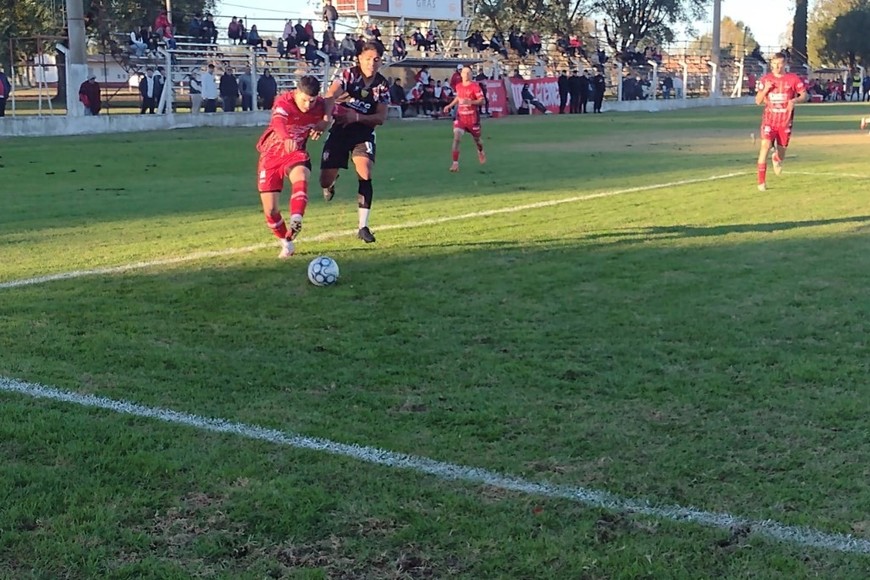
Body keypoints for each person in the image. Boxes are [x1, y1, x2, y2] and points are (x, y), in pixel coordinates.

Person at [319, 41, 390, 244]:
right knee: (324, 179)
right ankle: (330, 185)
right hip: (340, 131)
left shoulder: (382, 85)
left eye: (376, 60)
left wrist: (356, 118)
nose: (371, 63)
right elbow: (331, 94)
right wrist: (326, 116)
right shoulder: (348, 75)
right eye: (368, 59)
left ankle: (363, 226)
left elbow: (381, 117)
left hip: (363, 133)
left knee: (365, 172)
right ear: (359, 58)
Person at [255, 75, 333, 259]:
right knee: (271, 211)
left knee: (301, 176)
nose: (308, 105)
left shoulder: (320, 106)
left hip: (295, 152)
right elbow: (278, 122)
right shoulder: (284, 100)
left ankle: (297, 218)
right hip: (270, 156)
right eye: (304, 100)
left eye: (312, 101)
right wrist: (285, 137)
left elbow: (333, 103)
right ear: (296, 92)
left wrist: (326, 120)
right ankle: (286, 243)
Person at [754, 52, 808, 192]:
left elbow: (804, 95)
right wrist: (766, 89)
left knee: (782, 152)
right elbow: (758, 101)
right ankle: (761, 182)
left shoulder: (793, 79)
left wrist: (794, 100)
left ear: (785, 64)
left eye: (779, 64)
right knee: (764, 146)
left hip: (785, 121)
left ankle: (777, 158)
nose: (777, 67)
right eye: (774, 64)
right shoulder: (766, 79)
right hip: (769, 120)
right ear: (771, 64)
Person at [442, 65, 486, 172]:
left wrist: (470, 102)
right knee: (456, 139)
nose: (466, 75)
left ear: (471, 75)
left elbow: (482, 101)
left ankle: (480, 151)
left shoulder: (475, 87)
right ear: (461, 74)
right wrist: (450, 105)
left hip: (472, 118)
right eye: (464, 73)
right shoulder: (459, 86)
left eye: (468, 73)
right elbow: (458, 97)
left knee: (478, 141)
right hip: (460, 117)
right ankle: (455, 164)